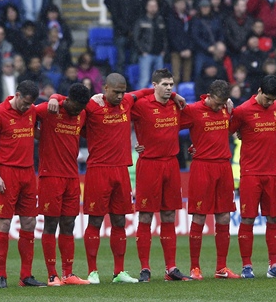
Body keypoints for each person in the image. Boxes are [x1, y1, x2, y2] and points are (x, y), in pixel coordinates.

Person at [49, 74, 184, 284]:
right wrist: (54, 97)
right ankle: (93, 271)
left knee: (120, 220)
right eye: (116, 92)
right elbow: (69, 102)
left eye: (123, 91)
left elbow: (149, 91)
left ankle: (119, 271)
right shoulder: (92, 106)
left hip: (121, 169)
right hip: (98, 170)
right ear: (105, 89)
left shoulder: (128, 101)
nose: (121, 96)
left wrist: (174, 95)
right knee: (95, 220)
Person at [0, 80, 46, 288]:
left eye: (31, 104)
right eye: (25, 103)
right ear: (17, 95)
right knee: (4, 222)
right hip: (6, 173)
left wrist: (54, 98)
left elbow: (54, 104)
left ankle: (25, 276)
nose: (27, 107)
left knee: (29, 223)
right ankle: (0, 275)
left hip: (28, 173)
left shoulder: (32, 111)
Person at [131, 69, 191, 282]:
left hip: (171, 164)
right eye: (164, 84)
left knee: (168, 216)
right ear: (154, 85)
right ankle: (145, 268)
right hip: (149, 165)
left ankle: (171, 268)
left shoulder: (177, 106)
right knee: (146, 215)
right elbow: (119, 112)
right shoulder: (141, 105)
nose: (168, 89)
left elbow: (198, 120)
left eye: (171, 85)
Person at [229, 75, 276, 278]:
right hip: (250, 173)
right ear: (259, 91)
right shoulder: (242, 111)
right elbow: (226, 131)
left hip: (274, 173)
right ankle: (247, 266)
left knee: (274, 218)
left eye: (274, 100)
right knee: (248, 219)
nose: (270, 103)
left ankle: (274, 264)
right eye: (267, 99)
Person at [180, 79, 239, 280]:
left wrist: (228, 111)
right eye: (217, 102)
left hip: (223, 166)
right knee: (199, 216)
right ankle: (194, 268)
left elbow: (229, 131)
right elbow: (170, 128)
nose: (220, 106)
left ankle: (221, 268)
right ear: (209, 95)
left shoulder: (226, 110)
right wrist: (187, 149)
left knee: (224, 216)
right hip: (202, 167)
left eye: (223, 103)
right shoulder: (193, 110)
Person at [36, 83, 92, 286]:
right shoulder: (49, 109)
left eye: (81, 108)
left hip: (72, 177)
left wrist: (55, 96)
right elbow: (25, 116)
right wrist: (52, 98)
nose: (78, 111)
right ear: (67, 99)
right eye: (76, 106)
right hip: (50, 176)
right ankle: (52, 275)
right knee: (51, 224)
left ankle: (68, 274)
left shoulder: (82, 114)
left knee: (69, 224)